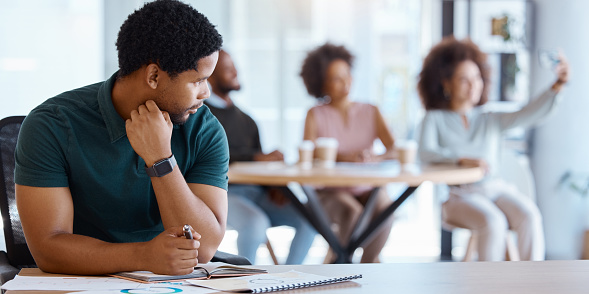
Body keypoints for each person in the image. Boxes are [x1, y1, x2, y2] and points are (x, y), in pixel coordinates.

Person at [14, 0, 227, 275]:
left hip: (178, 283)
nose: (206, 93)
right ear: (153, 75)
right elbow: (48, 248)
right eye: (198, 81)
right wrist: (144, 256)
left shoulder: (204, 129)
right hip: (80, 283)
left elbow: (205, 248)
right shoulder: (52, 124)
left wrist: (161, 159)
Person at [417, 36, 570, 261]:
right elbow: (425, 153)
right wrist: (461, 159)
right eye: (464, 79)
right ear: (446, 83)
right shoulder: (434, 119)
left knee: (529, 215)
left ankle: (536, 282)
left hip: (495, 188)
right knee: (494, 222)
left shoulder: (490, 118)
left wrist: (557, 85)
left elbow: (527, 114)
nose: (473, 85)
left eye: (477, 78)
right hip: (458, 195)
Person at [206, 50, 316, 264]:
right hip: (225, 195)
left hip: (258, 193)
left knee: (310, 219)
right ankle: (245, 282)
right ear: (210, 76)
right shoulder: (201, 117)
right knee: (256, 223)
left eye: (235, 68)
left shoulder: (247, 120)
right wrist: (256, 157)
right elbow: (211, 159)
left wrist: (274, 187)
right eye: (228, 69)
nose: (236, 73)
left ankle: (286, 279)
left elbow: (260, 164)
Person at [300, 43, 396, 263]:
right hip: (330, 190)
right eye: (336, 78)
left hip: (366, 186)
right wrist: (344, 157)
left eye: (347, 74)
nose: (345, 82)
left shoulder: (371, 111)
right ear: (322, 83)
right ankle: (339, 263)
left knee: (387, 209)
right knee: (351, 214)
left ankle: (368, 265)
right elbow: (310, 154)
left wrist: (375, 157)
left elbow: (394, 150)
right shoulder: (315, 114)